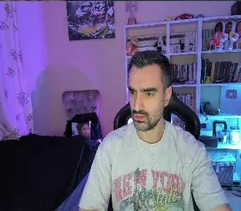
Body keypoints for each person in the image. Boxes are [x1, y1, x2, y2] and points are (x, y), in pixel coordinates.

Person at [79, 51, 230, 211]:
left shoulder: (191, 149)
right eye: (133, 92)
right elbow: (90, 207)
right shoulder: (109, 147)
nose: (136, 105)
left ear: (167, 95)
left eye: (149, 93)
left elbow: (216, 205)